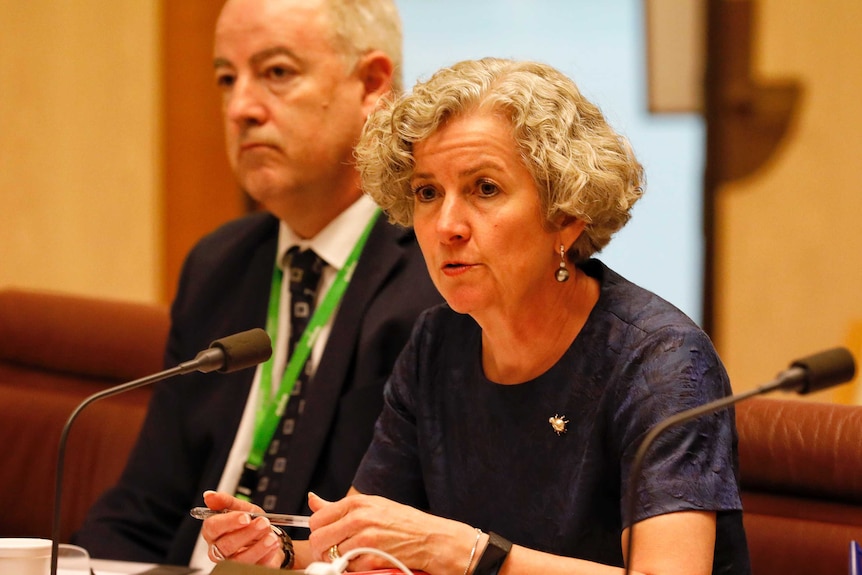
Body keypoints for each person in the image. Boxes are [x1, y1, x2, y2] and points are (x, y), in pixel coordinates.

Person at [197, 58, 752, 574]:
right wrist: (280, 548)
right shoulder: (439, 341)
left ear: (567, 215)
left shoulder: (662, 361)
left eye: (484, 189)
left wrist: (466, 553)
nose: (447, 225)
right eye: (427, 192)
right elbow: (371, 532)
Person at [72, 0, 440, 569]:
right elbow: (145, 504)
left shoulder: (439, 274)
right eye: (226, 78)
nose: (240, 107)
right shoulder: (219, 264)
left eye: (277, 73)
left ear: (371, 85)